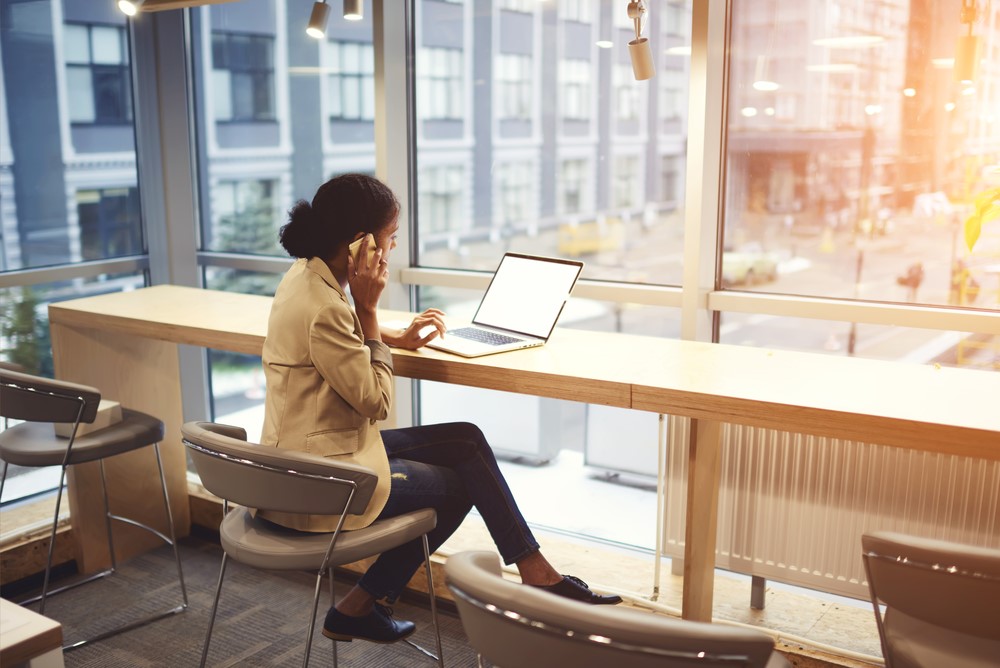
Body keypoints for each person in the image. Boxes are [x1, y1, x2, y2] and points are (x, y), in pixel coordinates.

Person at [260, 173, 621, 645]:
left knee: (465, 440)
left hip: (303, 455)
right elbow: (377, 401)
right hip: (323, 480)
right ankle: (362, 605)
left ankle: (536, 572)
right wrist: (370, 312)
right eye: (390, 238)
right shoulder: (329, 305)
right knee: (457, 488)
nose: (392, 249)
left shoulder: (306, 277)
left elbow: (331, 341)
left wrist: (392, 336)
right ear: (361, 244)